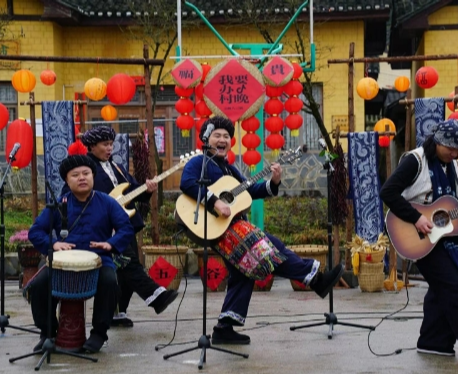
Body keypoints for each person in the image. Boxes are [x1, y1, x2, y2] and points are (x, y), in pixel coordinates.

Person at [180, 116, 344, 345]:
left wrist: (274, 182)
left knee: (243, 273)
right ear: (206, 138)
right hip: (219, 228)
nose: (222, 139)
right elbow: (186, 183)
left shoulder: (230, 169)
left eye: (226, 136)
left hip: (234, 227)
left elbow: (251, 191)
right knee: (269, 249)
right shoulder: (198, 163)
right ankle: (314, 279)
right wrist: (215, 202)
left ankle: (224, 328)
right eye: (217, 135)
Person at [380, 119, 458, 361]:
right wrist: (416, 218)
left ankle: (434, 342)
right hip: (416, 234)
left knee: (443, 288)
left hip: (447, 236)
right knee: (455, 286)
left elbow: (453, 202)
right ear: (437, 141)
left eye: (457, 150)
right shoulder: (415, 160)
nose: (453, 154)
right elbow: (387, 192)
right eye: (449, 148)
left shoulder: (456, 167)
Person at [62, 126, 178, 327]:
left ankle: (118, 312)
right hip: (104, 229)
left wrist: (148, 189)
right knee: (129, 264)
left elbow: (134, 191)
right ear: (91, 146)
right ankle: (156, 296)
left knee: (124, 272)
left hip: (125, 224)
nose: (110, 148)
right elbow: (69, 196)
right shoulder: (85, 169)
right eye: (105, 144)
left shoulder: (117, 167)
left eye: (111, 144)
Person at [28, 154, 135, 353]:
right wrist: (53, 244)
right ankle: (48, 332)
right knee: (39, 284)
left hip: (99, 260)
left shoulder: (107, 202)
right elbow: (35, 231)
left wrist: (110, 244)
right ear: (67, 181)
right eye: (75, 175)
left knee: (110, 282)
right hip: (64, 263)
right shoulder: (60, 203)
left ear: (93, 176)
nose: (82, 178)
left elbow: (126, 228)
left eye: (86, 173)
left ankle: (98, 334)